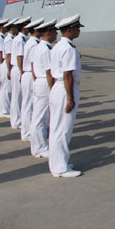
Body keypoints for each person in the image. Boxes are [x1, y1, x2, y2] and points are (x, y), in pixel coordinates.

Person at [48, 15, 83, 177]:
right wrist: (70, 98)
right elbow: (68, 75)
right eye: (77, 28)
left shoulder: (56, 47)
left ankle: (58, 163)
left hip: (57, 87)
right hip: (65, 89)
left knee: (56, 128)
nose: (79, 31)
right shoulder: (68, 49)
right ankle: (60, 168)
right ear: (70, 30)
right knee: (63, 129)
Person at [31, 20, 57, 158]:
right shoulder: (46, 49)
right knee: (41, 118)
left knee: (39, 116)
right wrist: (52, 90)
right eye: (54, 31)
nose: (56, 33)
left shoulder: (39, 47)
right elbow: (49, 72)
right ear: (48, 32)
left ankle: (38, 145)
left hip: (39, 82)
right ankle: (39, 147)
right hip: (45, 83)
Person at [20, 18, 44, 142]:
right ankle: (28, 133)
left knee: (28, 105)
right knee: (30, 107)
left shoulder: (30, 42)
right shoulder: (34, 44)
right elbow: (34, 64)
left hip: (29, 74)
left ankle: (27, 131)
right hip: (31, 75)